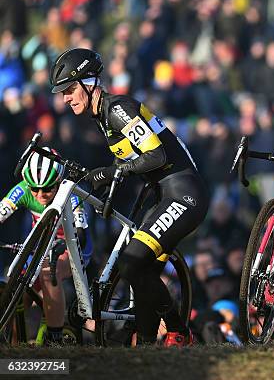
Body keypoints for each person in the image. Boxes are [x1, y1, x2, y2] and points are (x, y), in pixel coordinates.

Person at [49, 48, 210, 346]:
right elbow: (133, 162)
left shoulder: (117, 108)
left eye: (70, 90)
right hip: (164, 195)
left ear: (90, 83)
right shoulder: (101, 118)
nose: (66, 99)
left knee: (132, 262)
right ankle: (146, 345)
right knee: (139, 271)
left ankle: (178, 329)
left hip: (184, 194)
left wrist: (110, 173)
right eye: (62, 93)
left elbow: (156, 154)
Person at [0, 148, 92, 345]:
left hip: (72, 247)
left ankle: (54, 338)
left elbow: (81, 237)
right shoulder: (23, 189)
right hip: (41, 246)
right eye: (34, 189)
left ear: (58, 181)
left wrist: (61, 248)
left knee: (49, 271)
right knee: (17, 287)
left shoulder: (70, 193)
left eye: (48, 188)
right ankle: (15, 347)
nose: (40, 194)